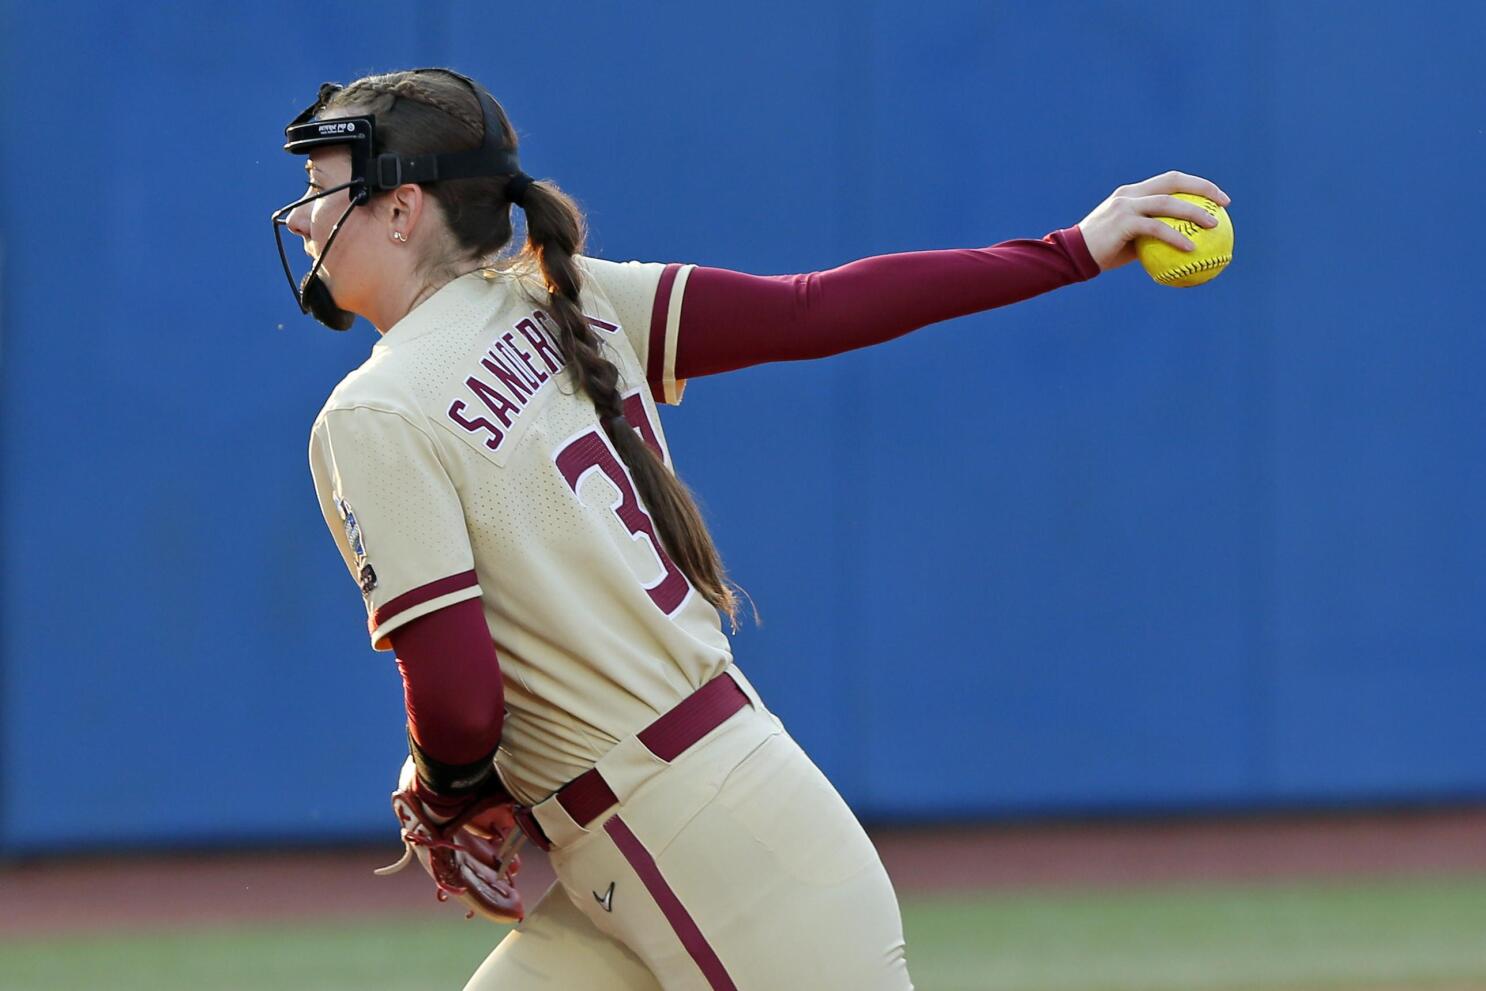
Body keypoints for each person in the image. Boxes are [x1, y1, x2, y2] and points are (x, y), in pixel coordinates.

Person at [273, 67, 1229, 991]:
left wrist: (444, 795)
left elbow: (462, 702)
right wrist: (1068, 249)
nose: (308, 217)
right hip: (697, 819)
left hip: (692, 844)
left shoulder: (376, 410)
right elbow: (817, 309)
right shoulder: (567, 298)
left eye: (325, 189)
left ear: (402, 211)